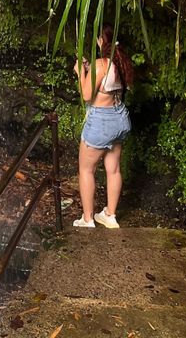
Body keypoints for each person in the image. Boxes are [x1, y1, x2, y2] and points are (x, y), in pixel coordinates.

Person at [73, 24, 134, 228]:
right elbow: (108, 85)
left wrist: (80, 72)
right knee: (114, 169)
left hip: (102, 122)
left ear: (102, 40)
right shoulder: (122, 63)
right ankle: (110, 215)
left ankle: (88, 219)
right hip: (120, 119)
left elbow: (86, 95)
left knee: (86, 170)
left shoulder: (101, 65)